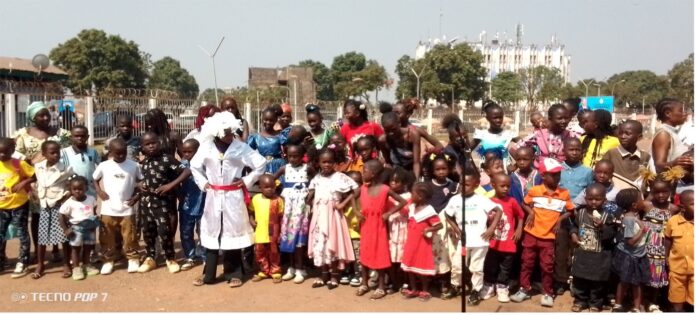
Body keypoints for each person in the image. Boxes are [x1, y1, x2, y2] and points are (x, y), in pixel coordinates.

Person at [190, 111, 266, 287]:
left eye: (231, 131)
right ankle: (208, 274)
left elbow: (260, 164)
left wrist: (246, 181)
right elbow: (194, 167)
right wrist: (204, 183)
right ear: (216, 132)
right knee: (212, 232)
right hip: (213, 195)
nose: (230, 135)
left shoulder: (240, 147)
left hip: (233, 195)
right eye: (225, 132)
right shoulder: (206, 147)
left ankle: (234, 273)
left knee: (232, 232)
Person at [511, 158, 574, 307]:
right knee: (527, 263)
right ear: (543, 176)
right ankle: (524, 289)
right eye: (553, 174)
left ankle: (547, 292)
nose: (557, 177)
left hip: (549, 237)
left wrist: (559, 220)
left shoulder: (564, 193)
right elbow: (524, 203)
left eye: (558, 174)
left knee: (547, 266)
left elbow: (571, 211)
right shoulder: (535, 190)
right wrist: (530, 212)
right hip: (531, 234)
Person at [14, 101, 71, 265]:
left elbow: (68, 152)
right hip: (35, 184)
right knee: (39, 218)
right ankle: (39, 251)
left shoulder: (60, 133)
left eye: (47, 114)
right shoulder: (23, 135)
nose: (45, 118)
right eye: (41, 115)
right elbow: (18, 161)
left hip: (57, 181)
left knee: (59, 215)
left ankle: (56, 250)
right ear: (33, 117)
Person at [137, 132, 190, 274]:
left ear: (159, 143)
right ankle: (150, 258)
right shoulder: (144, 162)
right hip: (146, 202)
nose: (151, 146)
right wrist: (140, 184)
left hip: (163, 203)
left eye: (153, 142)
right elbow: (142, 179)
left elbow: (186, 171)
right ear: (142, 147)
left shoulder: (168, 159)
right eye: (147, 144)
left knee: (164, 231)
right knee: (148, 231)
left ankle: (170, 258)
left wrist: (170, 186)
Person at [306, 148, 358, 290]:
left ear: (335, 162)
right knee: (320, 244)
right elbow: (311, 193)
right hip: (318, 214)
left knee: (332, 243)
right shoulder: (316, 178)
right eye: (324, 162)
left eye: (330, 162)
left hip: (333, 215)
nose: (327, 165)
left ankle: (334, 276)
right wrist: (309, 198)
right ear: (319, 163)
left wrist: (342, 203)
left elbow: (355, 190)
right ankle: (323, 275)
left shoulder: (340, 177)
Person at [354, 160, 407, 300]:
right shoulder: (362, 188)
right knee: (364, 255)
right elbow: (352, 198)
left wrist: (389, 213)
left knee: (380, 255)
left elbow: (403, 201)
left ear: (373, 173)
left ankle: (381, 287)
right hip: (365, 227)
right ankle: (364, 283)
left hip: (379, 227)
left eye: (364, 171)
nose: (362, 173)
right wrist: (356, 211)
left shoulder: (385, 189)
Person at [93, 139, 142, 275]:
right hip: (108, 208)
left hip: (127, 207)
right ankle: (108, 260)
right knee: (107, 235)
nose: (121, 156)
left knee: (129, 235)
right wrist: (99, 191)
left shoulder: (134, 165)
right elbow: (94, 179)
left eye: (124, 153)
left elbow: (141, 181)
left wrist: (137, 196)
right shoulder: (104, 165)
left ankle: (132, 258)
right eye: (118, 153)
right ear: (111, 152)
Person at [568, 184, 617, 312]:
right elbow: (574, 226)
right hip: (582, 255)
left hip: (600, 258)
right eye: (590, 199)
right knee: (580, 279)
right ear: (585, 198)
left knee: (598, 282)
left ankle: (595, 303)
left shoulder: (608, 217)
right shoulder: (581, 213)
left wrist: (602, 227)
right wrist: (573, 234)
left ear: (604, 200)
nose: (593, 202)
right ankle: (580, 300)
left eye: (598, 199)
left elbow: (611, 235)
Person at [32, 140, 73, 279]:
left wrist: (66, 197)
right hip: (44, 206)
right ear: (44, 154)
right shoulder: (38, 167)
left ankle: (67, 263)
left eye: (58, 152)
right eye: (52, 152)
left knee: (63, 235)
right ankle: (40, 264)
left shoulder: (65, 169)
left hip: (59, 206)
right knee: (42, 237)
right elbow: (36, 181)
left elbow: (73, 185)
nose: (56, 155)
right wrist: (35, 194)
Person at [481, 173, 525, 303]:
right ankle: (489, 286)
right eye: (502, 186)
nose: (506, 189)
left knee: (505, 267)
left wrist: (518, 229)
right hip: (492, 242)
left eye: (508, 186)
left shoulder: (512, 201)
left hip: (508, 242)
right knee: (490, 265)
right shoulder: (488, 202)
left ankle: (502, 287)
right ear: (493, 185)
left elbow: (521, 215)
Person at [274, 145, 313, 284]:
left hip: (301, 209)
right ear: (286, 156)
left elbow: (315, 181)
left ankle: (300, 268)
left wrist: (310, 196)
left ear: (302, 155)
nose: (292, 159)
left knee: (299, 239)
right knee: (289, 238)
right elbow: (272, 179)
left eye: (296, 156)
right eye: (290, 156)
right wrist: (279, 192)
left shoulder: (307, 168)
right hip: (289, 209)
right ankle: (291, 268)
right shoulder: (285, 168)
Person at [463, 167, 502, 306]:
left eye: (467, 184)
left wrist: (491, 228)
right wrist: (456, 230)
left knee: (477, 268)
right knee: (459, 265)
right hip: (463, 242)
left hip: (479, 240)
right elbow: (449, 215)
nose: (463, 187)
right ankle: (458, 286)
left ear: (475, 185)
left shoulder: (481, 199)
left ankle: (475, 291)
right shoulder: (456, 199)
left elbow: (498, 210)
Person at [400, 182, 445, 302]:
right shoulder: (412, 207)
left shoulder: (429, 211)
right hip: (411, 243)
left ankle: (425, 290)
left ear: (420, 196)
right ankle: (414, 289)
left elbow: (439, 225)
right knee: (409, 266)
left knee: (422, 266)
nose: (411, 195)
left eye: (413, 193)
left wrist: (429, 228)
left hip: (423, 244)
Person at [642, 176, 680, 312]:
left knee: (658, 274)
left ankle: (654, 301)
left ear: (670, 191)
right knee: (645, 272)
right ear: (651, 191)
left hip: (663, 247)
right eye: (656, 192)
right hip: (646, 246)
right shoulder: (646, 205)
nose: (661, 195)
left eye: (664, 192)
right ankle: (642, 301)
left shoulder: (673, 209)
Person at [0, 138, 36, 278]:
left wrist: (23, 183)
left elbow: (34, 176)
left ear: (12, 151)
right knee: (1, 234)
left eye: (5, 152)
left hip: (18, 205)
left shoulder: (18, 164)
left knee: (22, 233)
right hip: (1, 207)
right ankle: (1, 260)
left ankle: (23, 262)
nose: (2, 155)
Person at [380, 103, 443, 180]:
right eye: (394, 113)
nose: (391, 133)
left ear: (407, 114)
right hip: (396, 169)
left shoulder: (414, 133)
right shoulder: (383, 139)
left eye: (398, 113)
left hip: (412, 167)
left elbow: (438, 146)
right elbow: (388, 161)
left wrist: (429, 155)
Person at [612, 189, 650, 313]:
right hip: (629, 256)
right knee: (625, 281)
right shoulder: (629, 219)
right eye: (641, 199)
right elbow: (631, 242)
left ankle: (636, 307)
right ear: (634, 205)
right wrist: (642, 230)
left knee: (636, 282)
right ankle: (618, 305)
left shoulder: (635, 215)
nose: (643, 201)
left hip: (638, 254)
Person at [511, 104, 579, 169]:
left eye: (566, 118)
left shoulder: (572, 136)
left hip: (563, 176)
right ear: (550, 118)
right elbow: (513, 149)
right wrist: (528, 165)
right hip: (541, 177)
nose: (564, 121)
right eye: (560, 118)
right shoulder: (538, 135)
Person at [59, 176, 100, 280]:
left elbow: (93, 211)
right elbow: (61, 216)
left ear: (86, 188)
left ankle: (86, 265)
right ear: (71, 190)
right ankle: (76, 268)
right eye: (75, 189)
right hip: (76, 229)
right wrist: (65, 229)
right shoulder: (69, 203)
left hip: (90, 228)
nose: (78, 191)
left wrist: (96, 220)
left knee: (88, 247)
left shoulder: (91, 199)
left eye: (80, 189)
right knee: (75, 249)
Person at [248, 174, 284, 283]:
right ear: (260, 188)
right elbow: (251, 211)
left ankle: (275, 271)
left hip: (274, 232)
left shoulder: (278, 200)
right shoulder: (255, 199)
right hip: (260, 232)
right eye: (266, 187)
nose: (270, 190)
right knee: (260, 252)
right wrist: (251, 220)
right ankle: (264, 270)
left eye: (272, 187)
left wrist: (282, 231)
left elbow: (282, 216)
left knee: (274, 252)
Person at [177, 139, 206, 271]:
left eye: (190, 151)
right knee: (186, 231)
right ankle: (190, 256)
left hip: (203, 201)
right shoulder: (182, 165)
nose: (187, 154)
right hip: (187, 203)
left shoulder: (204, 164)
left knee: (203, 231)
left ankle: (205, 255)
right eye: (185, 152)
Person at [601, 120, 651, 194]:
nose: (623, 137)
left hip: (638, 198)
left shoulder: (645, 156)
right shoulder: (611, 154)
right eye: (620, 133)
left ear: (639, 137)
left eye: (627, 134)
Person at [664, 190, 694, 312]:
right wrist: (666, 257)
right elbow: (667, 240)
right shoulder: (673, 221)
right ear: (682, 207)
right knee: (677, 296)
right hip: (677, 268)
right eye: (693, 204)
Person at [386, 168, 413, 292]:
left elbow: (409, 211)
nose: (393, 184)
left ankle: (405, 281)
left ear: (404, 183)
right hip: (391, 228)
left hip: (403, 228)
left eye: (397, 182)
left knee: (404, 257)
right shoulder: (387, 195)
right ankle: (393, 281)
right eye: (391, 181)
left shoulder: (409, 196)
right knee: (391, 257)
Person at [651, 98, 692, 174]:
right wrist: (674, 163)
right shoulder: (663, 134)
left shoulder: (672, 132)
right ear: (668, 113)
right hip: (673, 184)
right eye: (681, 111)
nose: (684, 113)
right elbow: (659, 166)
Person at [472, 101, 516, 168]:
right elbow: (467, 150)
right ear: (487, 118)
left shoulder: (509, 133)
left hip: (504, 171)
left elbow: (524, 146)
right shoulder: (481, 133)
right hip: (486, 171)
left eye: (500, 117)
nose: (498, 120)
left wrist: (515, 166)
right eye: (495, 118)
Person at [60, 125, 101, 198]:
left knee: (90, 208)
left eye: (82, 136)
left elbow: (101, 168)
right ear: (71, 137)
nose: (80, 138)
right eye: (76, 136)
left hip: (90, 192)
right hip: (72, 193)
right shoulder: (64, 153)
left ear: (87, 137)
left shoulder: (93, 152)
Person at [248, 107, 287, 175]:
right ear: (262, 119)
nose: (268, 122)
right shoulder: (255, 137)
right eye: (265, 120)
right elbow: (247, 154)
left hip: (278, 167)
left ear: (275, 120)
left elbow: (287, 151)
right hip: (262, 167)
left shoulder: (280, 136)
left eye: (271, 120)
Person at [343, 170, 364, 287]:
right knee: (347, 255)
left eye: (358, 183)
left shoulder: (362, 199)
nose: (355, 186)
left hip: (357, 234)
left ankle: (359, 274)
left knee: (357, 256)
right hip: (346, 233)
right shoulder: (343, 198)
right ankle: (348, 272)